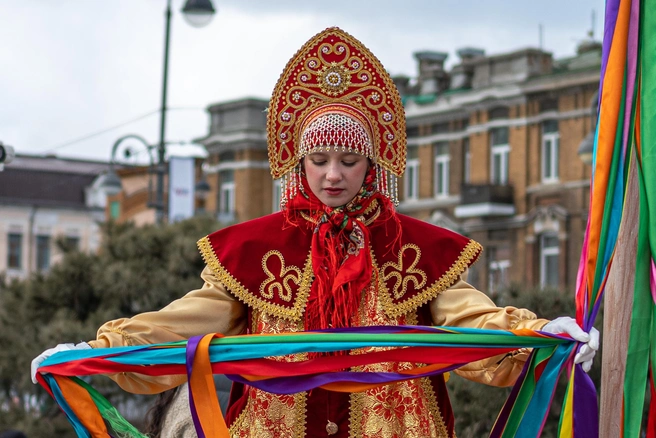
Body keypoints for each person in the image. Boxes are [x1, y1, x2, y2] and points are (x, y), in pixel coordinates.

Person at [32, 27, 598, 437]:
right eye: (320, 158)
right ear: (297, 162)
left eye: (349, 160)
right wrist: (99, 348)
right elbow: (186, 320)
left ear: (372, 165)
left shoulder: (415, 248)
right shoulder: (253, 250)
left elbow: (471, 321)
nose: (333, 175)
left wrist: (544, 332)